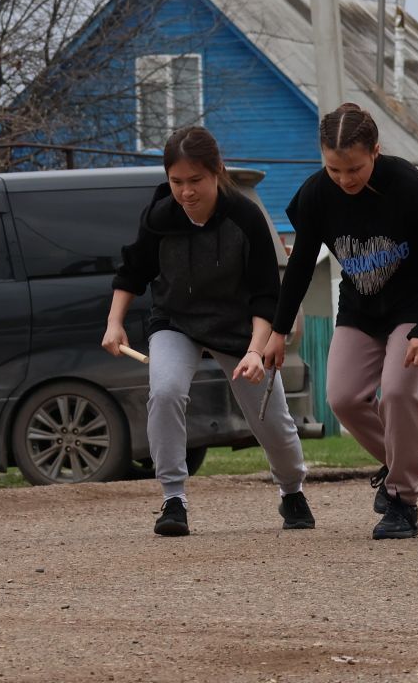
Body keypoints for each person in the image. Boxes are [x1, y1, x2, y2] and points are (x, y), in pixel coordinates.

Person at [261, 103, 418, 541]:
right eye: (334, 170)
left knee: (397, 392)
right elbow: (298, 270)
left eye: (354, 168)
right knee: (344, 398)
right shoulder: (315, 195)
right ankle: (405, 457)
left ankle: (402, 501)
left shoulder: (407, 185)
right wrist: (277, 332)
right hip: (360, 306)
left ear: (375, 151)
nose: (345, 180)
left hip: (415, 305)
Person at [104, 126, 313, 537]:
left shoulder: (245, 217)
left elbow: (265, 294)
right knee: (164, 391)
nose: (186, 192)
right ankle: (173, 498)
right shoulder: (160, 215)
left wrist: (256, 351)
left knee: (271, 418)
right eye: (176, 181)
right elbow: (133, 270)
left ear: (217, 171)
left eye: (195, 180)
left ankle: (292, 489)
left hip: (238, 327)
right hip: (175, 321)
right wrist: (114, 323)